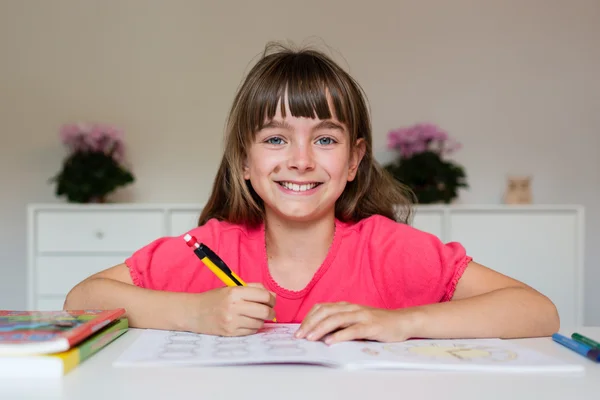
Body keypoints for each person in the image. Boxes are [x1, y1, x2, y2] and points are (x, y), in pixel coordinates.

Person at [64, 42, 559, 344]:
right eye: (276, 139)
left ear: (354, 160)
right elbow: (81, 299)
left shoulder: (387, 248)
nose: (300, 159)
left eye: (324, 139)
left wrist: (401, 322)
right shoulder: (213, 247)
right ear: (244, 161)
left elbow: (538, 311)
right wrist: (193, 313)